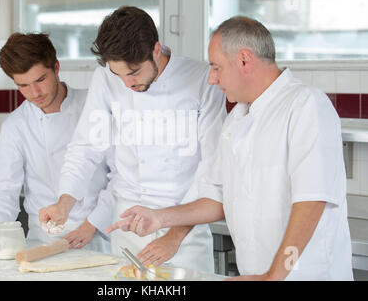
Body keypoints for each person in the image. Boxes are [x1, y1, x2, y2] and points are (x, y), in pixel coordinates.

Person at [107, 16, 354, 281]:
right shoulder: (236, 121)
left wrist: (274, 276)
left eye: (216, 67)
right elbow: (215, 198)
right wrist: (160, 218)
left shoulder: (305, 105)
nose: (212, 79)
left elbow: (311, 201)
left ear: (245, 60)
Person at [39, 6, 227, 273]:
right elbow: (86, 146)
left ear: (156, 49)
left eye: (135, 72)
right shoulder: (106, 77)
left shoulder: (201, 80)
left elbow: (212, 170)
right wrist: (64, 202)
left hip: (184, 232)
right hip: (126, 229)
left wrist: (173, 237)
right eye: (120, 75)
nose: (127, 84)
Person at [0, 33, 113, 256]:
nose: (34, 93)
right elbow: (3, 192)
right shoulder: (15, 126)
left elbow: (119, 176)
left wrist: (92, 225)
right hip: (42, 244)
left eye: (40, 80)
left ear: (56, 67)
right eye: (23, 85)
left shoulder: (93, 106)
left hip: (100, 237)